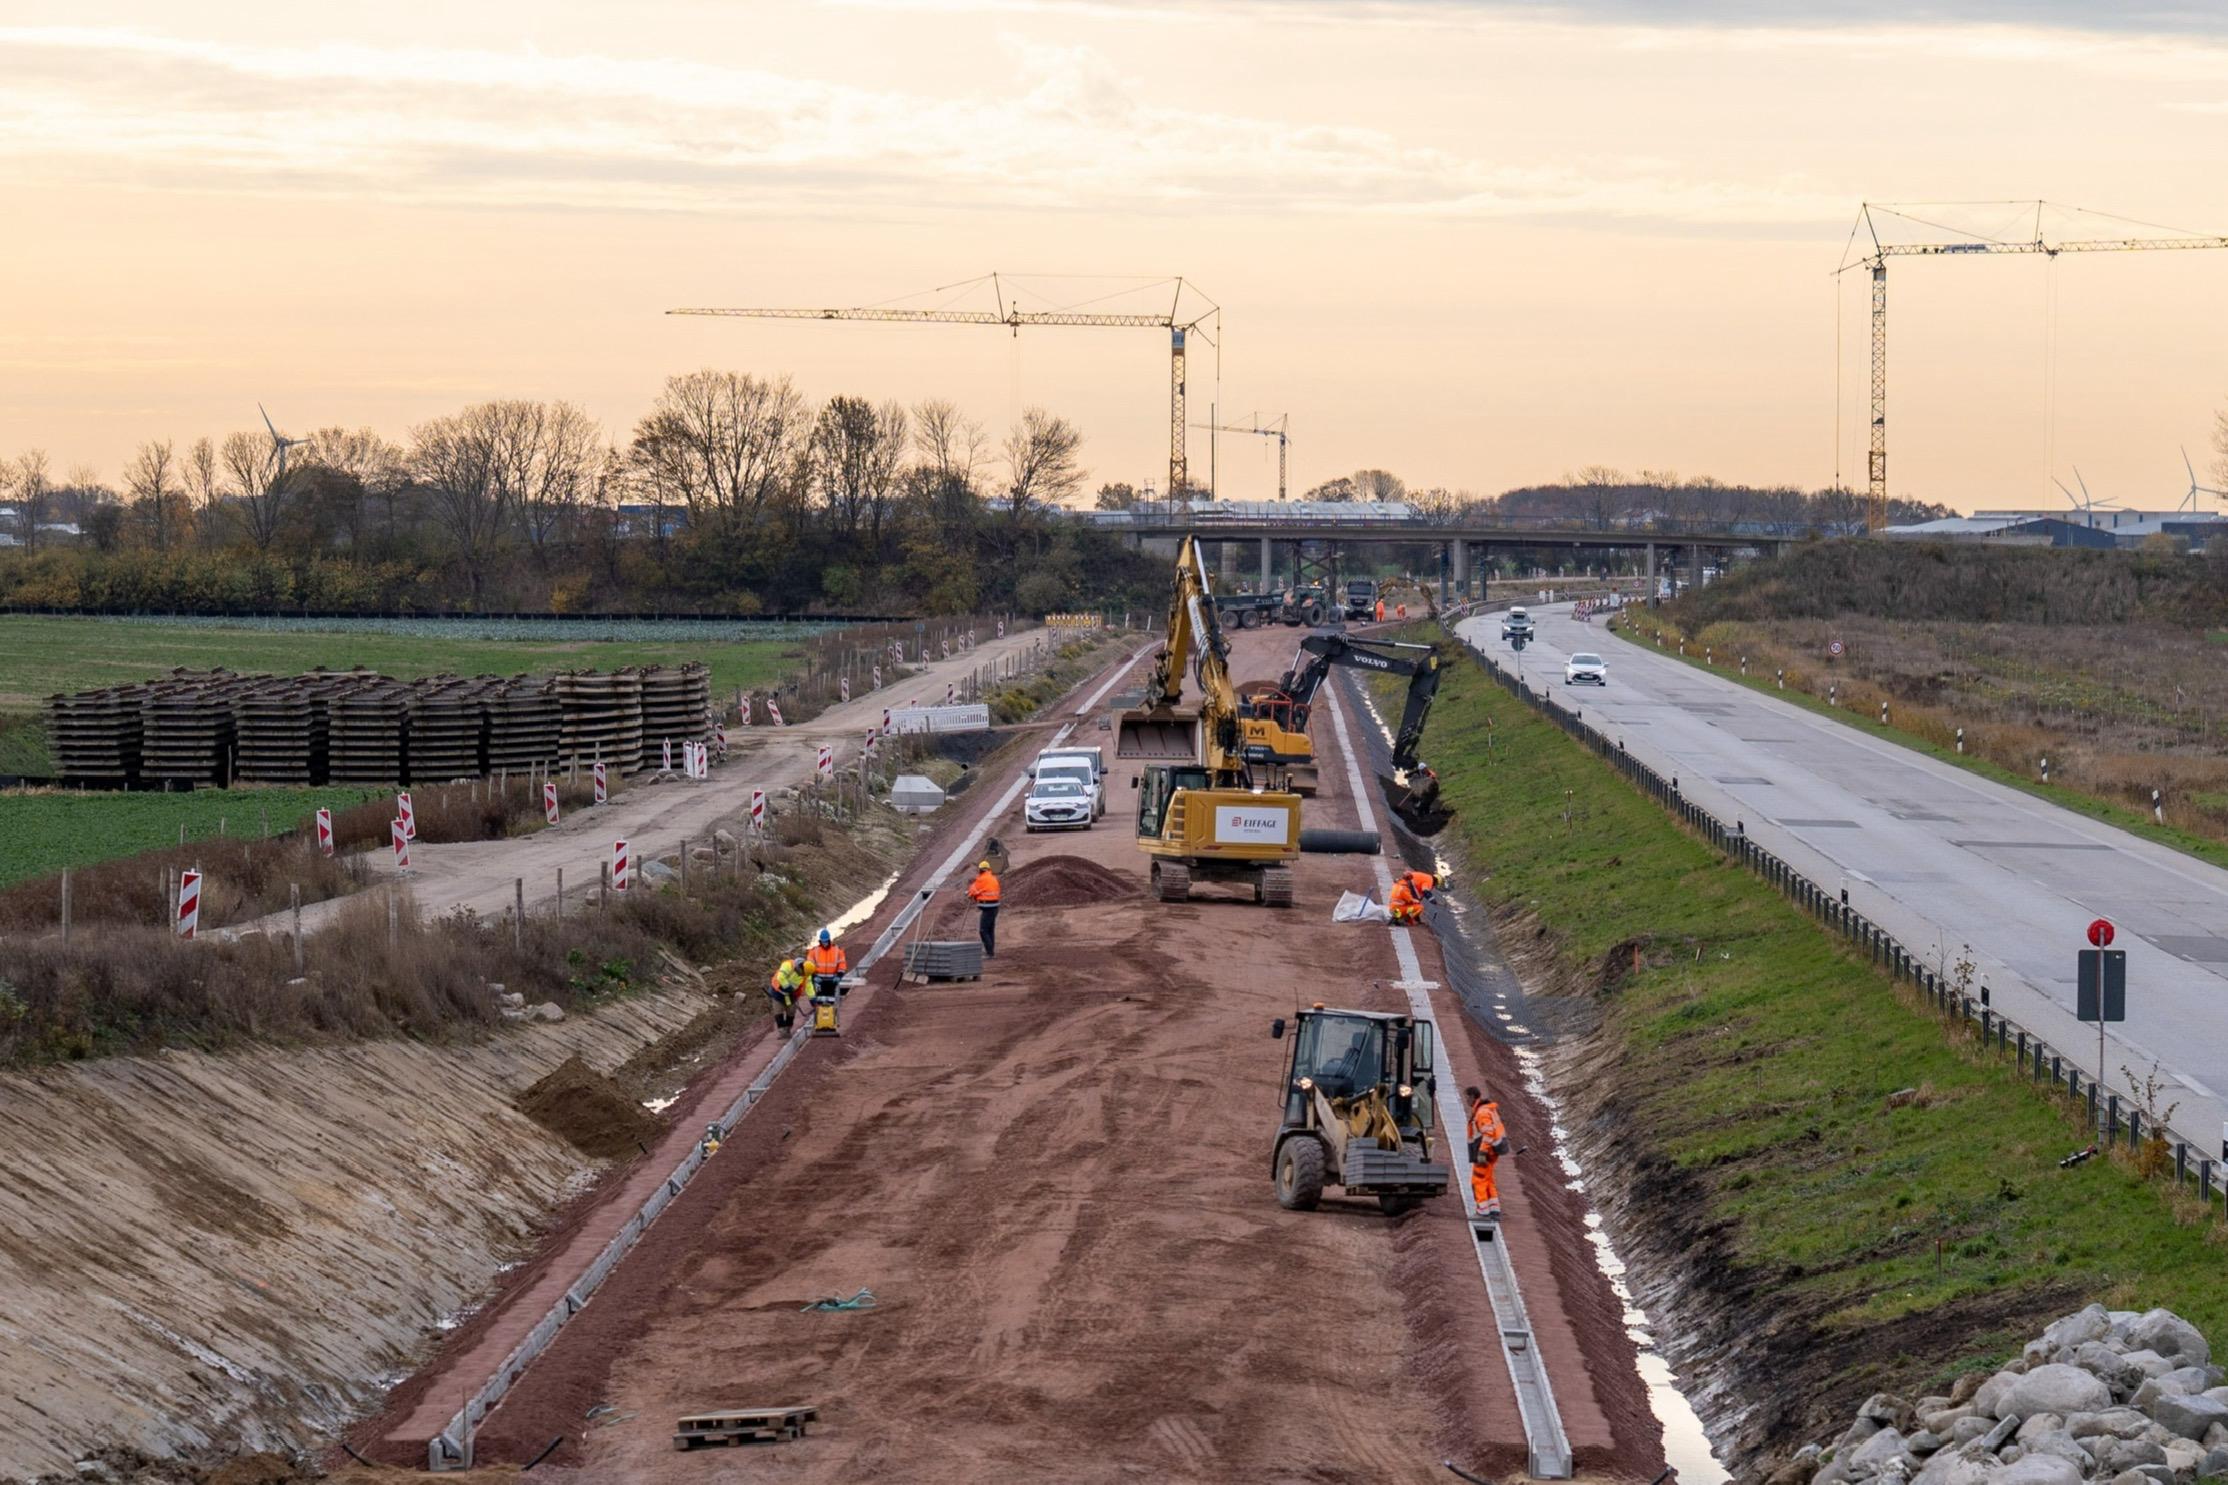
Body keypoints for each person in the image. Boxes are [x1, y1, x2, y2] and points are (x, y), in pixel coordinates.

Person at [1465, 1086, 1508, 1225]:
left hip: (1486, 1152)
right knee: (1488, 1180)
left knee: (1478, 1180)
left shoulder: (1482, 1113)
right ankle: (1494, 1210)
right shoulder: (1486, 1109)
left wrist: (1482, 1152)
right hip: (1492, 1152)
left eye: (1467, 1097)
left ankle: (1482, 1212)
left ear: (1472, 1096)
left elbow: (1488, 1134)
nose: (1466, 1100)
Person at [967, 859, 1001, 957]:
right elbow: (983, 889)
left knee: (983, 930)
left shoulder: (982, 879)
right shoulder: (993, 878)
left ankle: (990, 953)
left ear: (980, 870)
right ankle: (990, 951)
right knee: (990, 929)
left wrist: (970, 894)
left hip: (988, 907)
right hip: (995, 907)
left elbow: (974, 889)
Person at [766, 955, 807, 1031]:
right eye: (801, 972)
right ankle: (781, 1030)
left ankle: (788, 1028)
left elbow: (805, 987)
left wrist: (812, 999)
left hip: (791, 994)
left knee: (791, 1011)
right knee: (778, 1011)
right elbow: (780, 977)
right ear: (799, 967)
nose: (802, 975)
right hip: (778, 991)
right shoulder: (788, 965)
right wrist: (787, 987)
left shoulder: (805, 974)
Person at [805, 928, 848, 999]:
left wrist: (839, 976)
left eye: (826, 942)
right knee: (819, 999)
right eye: (822, 942)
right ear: (820, 941)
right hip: (819, 980)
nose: (824, 944)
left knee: (831, 999)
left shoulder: (837, 950)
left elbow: (842, 964)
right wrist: (814, 976)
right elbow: (809, 965)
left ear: (829, 940)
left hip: (832, 980)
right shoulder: (814, 951)